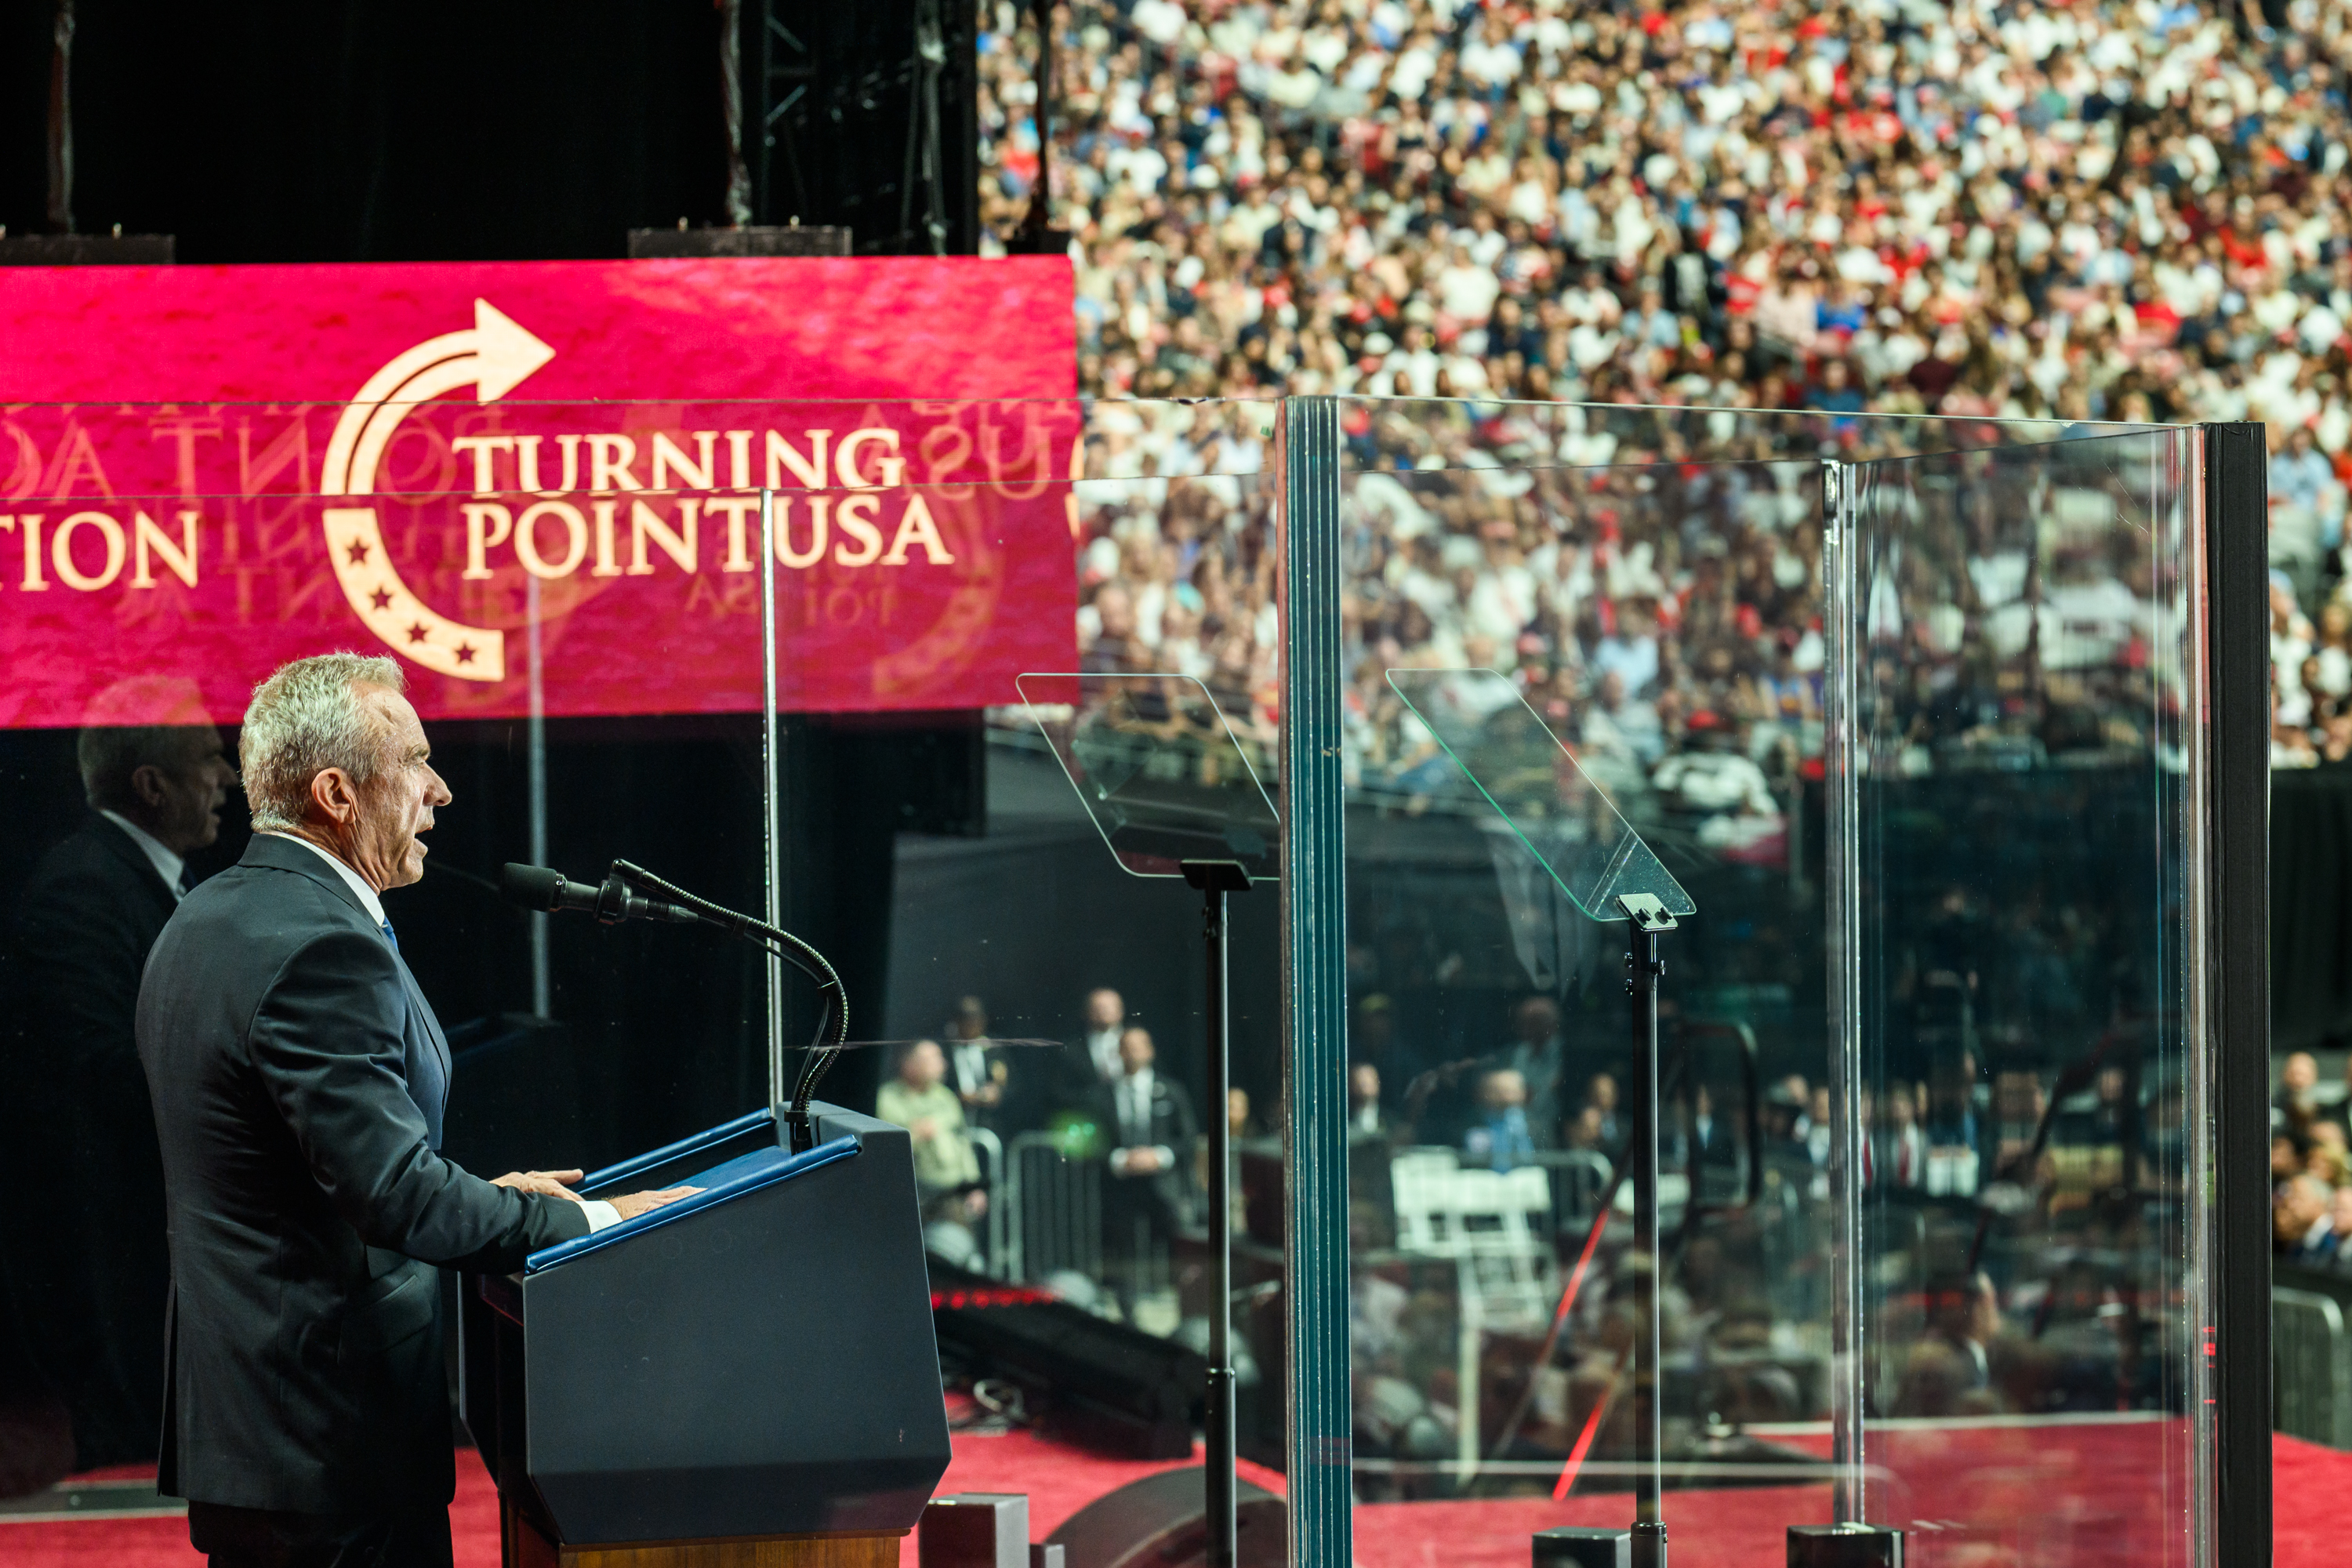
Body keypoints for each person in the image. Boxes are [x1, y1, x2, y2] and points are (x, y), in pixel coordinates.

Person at [136, 653, 691, 1568]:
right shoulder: (321, 945)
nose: (439, 790)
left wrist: (466, 1187)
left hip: (249, 1433)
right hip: (332, 1449)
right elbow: (399, 1199)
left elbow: (304, 1175)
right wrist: (592, 1220)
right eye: (416, 762)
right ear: (336, 792)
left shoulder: (205, 920)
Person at [0, 702, 236, 1472]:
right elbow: (102, 1073)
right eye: (207, 758)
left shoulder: (161, 879)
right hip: (113, 1258)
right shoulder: (84, 889)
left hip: (159, 1242)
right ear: (151, 785)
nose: (228, 778)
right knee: (134, 1466)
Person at [1095, 1025, 1196, 1316]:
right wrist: (1118, 1159)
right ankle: (1129, 1317)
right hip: (1120, 1187)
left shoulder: (1171, 1090)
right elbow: (1090, 1140)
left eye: (1139, 1046)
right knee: (1122, 1249)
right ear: (1118, 1053)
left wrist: (1160, 1156)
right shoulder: (1103, 1094)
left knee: (1175, 1243)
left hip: (1164, 1186)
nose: (1132, 1052)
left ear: (1150, 1051)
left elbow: (1187, 1139)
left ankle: (1182, 1311)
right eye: (1126, 1047)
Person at [877, 1040, 987, 1261]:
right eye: (933, 1059)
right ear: (910, 1064)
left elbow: (963, 1144)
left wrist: (974, 1186)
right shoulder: (889, 1098)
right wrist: (917, 1133)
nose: (942, 1064)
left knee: (960, 1254)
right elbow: (889, 1147)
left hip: (951, 1194)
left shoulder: (945, 1098)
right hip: (915, 1194)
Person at [942, 995, 1011, 1134]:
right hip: (951, 1126)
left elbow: (1012, 1084)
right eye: (967, 1019)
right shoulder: (944, 1049)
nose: (973, 1025)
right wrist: (957, 1097)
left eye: (977, 1019)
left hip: (986, 1126)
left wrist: (997, 1093)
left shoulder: (994, 1050)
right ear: (957, 1021)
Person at [1463, 1068, 1535, 1174]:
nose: (1504, 1097)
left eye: (1510, 1091)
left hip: (1523, 1182)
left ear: (1523, 1093)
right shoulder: (1475, 1124)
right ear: (1484, 1093)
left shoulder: (1531, 1125)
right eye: (1497, 1091)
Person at [1069, 986, 1127, 1101]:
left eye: (1108, 1007)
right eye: (1098, 1007)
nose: (1103, 1011)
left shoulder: (1137, 1041)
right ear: (1086, 1012)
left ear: (1121, 1010)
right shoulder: (1072, 1049)